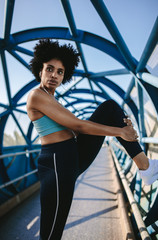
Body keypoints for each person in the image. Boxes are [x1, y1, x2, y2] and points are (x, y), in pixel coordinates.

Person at [27, 39, 158, 240]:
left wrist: (120, 126)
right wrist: (120, 132)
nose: (54, 75)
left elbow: (76, 130)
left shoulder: (52, 98)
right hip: (57, 162)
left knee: (110, 108)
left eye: (60, 72)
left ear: (65, 75)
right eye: (50, 69)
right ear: (40, 69)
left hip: (72, 154)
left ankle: (145, 167)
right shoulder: (37, 95)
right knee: (52, 230)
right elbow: (78, 125)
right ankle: (146, 168)